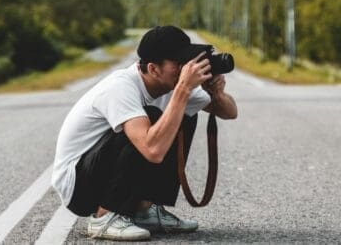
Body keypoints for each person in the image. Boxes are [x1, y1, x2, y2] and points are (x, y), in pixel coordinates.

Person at [51, 25, 239, 241]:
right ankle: (104, 216)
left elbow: (230, 112)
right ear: (153, 69)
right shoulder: (121, 87)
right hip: (80, 187)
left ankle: (143, 211)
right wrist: (182, 92)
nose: (185, 68)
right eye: (179, 64)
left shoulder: (173, 85)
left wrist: (217, 93)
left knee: (184, 114)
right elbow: (153, 150)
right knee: (154, 116)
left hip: (97, 173)